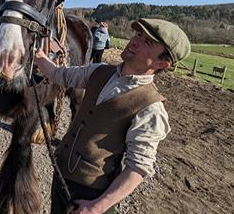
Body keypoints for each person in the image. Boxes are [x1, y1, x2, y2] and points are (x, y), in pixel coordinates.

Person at [35, 18, 190, 214]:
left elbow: (138, 168)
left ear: (163, 63)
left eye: (147, 42)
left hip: (92, 193)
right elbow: (60, 74)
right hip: (61, 175)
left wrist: (97, 207)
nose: (134, 41)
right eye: (138, 35)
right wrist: (38, 55)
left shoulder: (151, 108)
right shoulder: (98, 71)